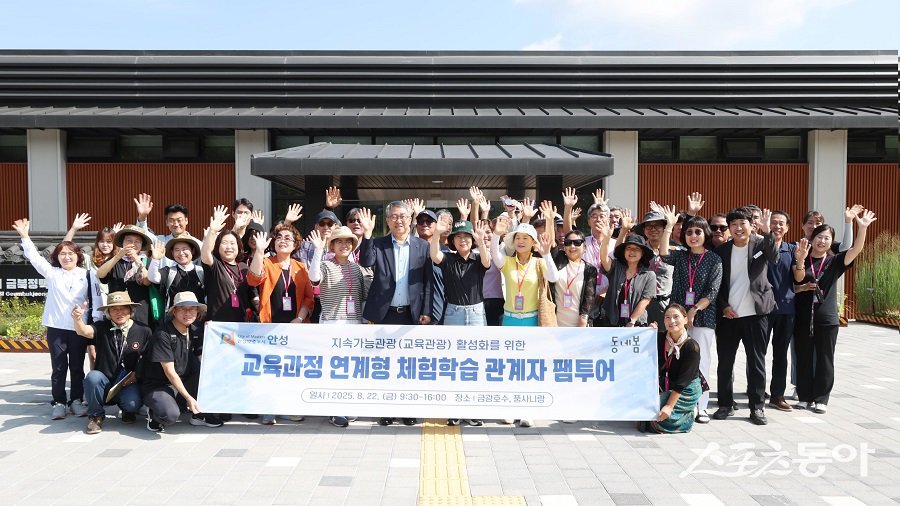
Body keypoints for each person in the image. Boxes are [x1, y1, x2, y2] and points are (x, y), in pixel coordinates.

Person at [357, 202, 434, 426]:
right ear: (388, 221)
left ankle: (407, 410)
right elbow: (366, 261)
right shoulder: (378, 244)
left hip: (411, 314)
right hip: (384, 314)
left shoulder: (422, 246)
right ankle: (387, 410)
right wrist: (368, 235)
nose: (398, 220)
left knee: (408, 365)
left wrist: (426, 310)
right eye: (393, 217)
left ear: (411, 219)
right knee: (386, 364)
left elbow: (428, 282)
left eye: (402, 216)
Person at [792, 209, 876, 414]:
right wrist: (801, 260)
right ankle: (804, 396)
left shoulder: (835, 261)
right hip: (802, 318)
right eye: (819, 237)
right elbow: (798, 278)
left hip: (826, 319)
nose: (822, 241)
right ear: (812, 238)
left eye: (827, 238)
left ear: (831, 242)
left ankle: (821, 399)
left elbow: (855, 249)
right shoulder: (800, 256)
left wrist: (862, 228)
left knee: (825, 359)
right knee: (803, 357)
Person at [12, 217, 91, 420]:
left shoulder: (87, 275)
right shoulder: (52, 273)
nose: (67, 257)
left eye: (70, 253)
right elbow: (34, 257)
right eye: (62, 254)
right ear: (57, 257)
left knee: (77, 366)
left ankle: (76, 400)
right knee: (58, 367)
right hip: (56, 327)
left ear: (78, 256)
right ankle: (59, 402)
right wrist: (24, 236)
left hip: (78, 328)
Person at [712, 207, 778, 426]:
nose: (738, 228)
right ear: (729, 228)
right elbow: (716, 284)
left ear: (751, 225)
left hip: (756, 314)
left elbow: (774, 256)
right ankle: (725, 404)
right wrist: (723, 307)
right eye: (734, 225)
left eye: (743, 223)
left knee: (757, 362)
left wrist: (768, 232)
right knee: (725, 363)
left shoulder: (760, 245)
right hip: (728, 316)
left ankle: (757, 407)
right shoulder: (721, 251)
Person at [489, 217, 557, 428]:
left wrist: (546, 254)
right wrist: (496, 234)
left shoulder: (539, 263)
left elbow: (554, 277)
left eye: (526, 238)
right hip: (510, 320)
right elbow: (494, 254)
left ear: (533, 243)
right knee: (510, 366)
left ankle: (528, 410)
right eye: (517, 237)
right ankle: (510, 408)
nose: (520, 241)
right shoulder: (508, 262)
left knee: (530, 366)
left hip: (531, 321)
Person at [247, 224, 315, 425]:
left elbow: (309, 298)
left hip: (294, 327)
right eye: (279, 237)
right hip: (271, 325)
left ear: (295, 245)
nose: (283, 240)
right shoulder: (267, 262)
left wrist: (300, 318)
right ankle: (268, 409)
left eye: (288, 238)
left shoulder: (301, 267)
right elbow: (253, 279)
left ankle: (286, 407)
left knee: (290, 370)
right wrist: (259, 251)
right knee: (270, 369)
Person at [659, 214, 722, 424]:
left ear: (706, 234)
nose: (693, 236)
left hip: (703, 317)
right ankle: (677, 403)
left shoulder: (714, 259)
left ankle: (701, 406)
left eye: (697, 232)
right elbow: (663, 253)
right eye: (689, 232)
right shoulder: (680, 256)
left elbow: (713, 291)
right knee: (676, 359)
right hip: (677, 317)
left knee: (701, 361)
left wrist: (694, 310)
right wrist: (669, 226)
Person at [430, 219, 491, 427]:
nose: (462, 240)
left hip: (476, 314)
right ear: (452, 241)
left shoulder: (478, 258)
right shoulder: (448, 259)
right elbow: (434, 254)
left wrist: (481, 241)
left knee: (475, 363)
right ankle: (454, 410)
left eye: (466, 236)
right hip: (453, 313)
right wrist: (436, 234)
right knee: (454, 363)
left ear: (472, 240)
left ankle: (473, 410)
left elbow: (487, 262)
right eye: (458, 237)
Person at [71, 292, 151, 434]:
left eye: (123, 308)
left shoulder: (143, 330)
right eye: (114, 309)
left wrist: (137, 374)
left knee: (132, 404)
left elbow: (148, 359)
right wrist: (77, 319)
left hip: (129, 381)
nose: (119, 312)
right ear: (108, 312)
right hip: (105, 379)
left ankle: (127, 411)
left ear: (130, 310)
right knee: (92, 378)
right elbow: (83, 331)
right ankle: (95, 416)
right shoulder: (101, 327)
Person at [142, 292, 223, 432]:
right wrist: (189, 398)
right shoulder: (162, 334)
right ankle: (154, 413)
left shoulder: (196, 329)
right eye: (183, 309)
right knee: (170, 415)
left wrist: (213, 330)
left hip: (184, 380)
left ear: (197, 311)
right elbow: (169, 372)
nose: (188, 313)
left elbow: (204, 356)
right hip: (160, 385)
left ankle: (198, 415)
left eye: (192, 309)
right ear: (174, 311)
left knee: (209, 370)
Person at [639, 304, 702, 434]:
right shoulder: (660, 338)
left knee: (654, 421)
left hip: (686, 388)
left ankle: (689, 414)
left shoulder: (692, 347)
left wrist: (669, 406)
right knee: (644, 413)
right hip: (667, 384)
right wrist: (648, 334)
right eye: (667, 317)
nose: (671, 321)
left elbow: (682, 382)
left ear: (685, 319)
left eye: (676, 317)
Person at [765, 210, 797, 411]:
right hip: (762, 309)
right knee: (757, 353)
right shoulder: (760, 247)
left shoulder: (792, 249)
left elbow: (798, 277)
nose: (777, 226)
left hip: (786, 309)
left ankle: (777, 395)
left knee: (780, 354)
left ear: (787, 228)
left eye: (781, 223)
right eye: (773, 222)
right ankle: (756, 392)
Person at [200, 206, 254, 323]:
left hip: (241, 324)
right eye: (224, 243)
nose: (229, 247)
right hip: (218, 325)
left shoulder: (244, 268)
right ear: (218, 247)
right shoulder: (215, 265)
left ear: (238, 246)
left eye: (232, 243)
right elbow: (205, 253)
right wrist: (212, 231)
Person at [596, 228, 658, 328]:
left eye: (637, 249)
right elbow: (604, 258)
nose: (632, 251)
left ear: (642, 253)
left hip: (636, 324)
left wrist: (632, 321)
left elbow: (646, 300)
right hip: (611, 321)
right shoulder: (616, 267)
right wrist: (607, 238)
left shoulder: (649, 275)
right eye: (628, 248)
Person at [96, 225, 156, 327]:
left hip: (141, 314)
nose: (133, 244)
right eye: (129, 241)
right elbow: (100, 274)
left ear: (141, 245)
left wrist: (137, 260)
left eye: (137, 241)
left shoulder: (146, 262)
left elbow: (147, 281)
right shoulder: (113, 261)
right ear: (122, 243)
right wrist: (118, 255)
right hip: (117, 313)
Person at [551, 229, 598, 328]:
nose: (572, 246)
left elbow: (589, 297)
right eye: (568, 243)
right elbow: (550, 243)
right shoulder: (557, 261)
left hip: (579, 325)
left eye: (577, 243)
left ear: (584, 247)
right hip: (554, 324)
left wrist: (583, 319)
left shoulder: (590, 270)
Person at [147, 236, 205, 313]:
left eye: (184, 249)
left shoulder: (201, 272)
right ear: (172, 253)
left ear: (193, 251)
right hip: (173, 317)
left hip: (197, 317)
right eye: (177, 250)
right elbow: (153, 278)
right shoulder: (169, 271)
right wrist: (155, 260)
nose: (181, 253)